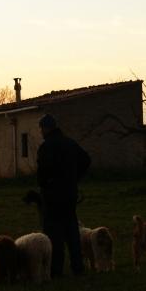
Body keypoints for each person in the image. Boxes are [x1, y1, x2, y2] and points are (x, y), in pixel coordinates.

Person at [36, 113, 91, 277]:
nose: (40, 132)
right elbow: (86, 160)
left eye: (41, 129)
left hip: (52, 196)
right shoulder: (70, 143)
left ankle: (56, 271)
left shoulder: (46, 147)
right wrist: (75, 178)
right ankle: (77, 267)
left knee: (54, 235)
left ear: (46, 129)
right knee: (72, 231)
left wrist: (46, 185)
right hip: (69, 194)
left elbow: (42, 175)